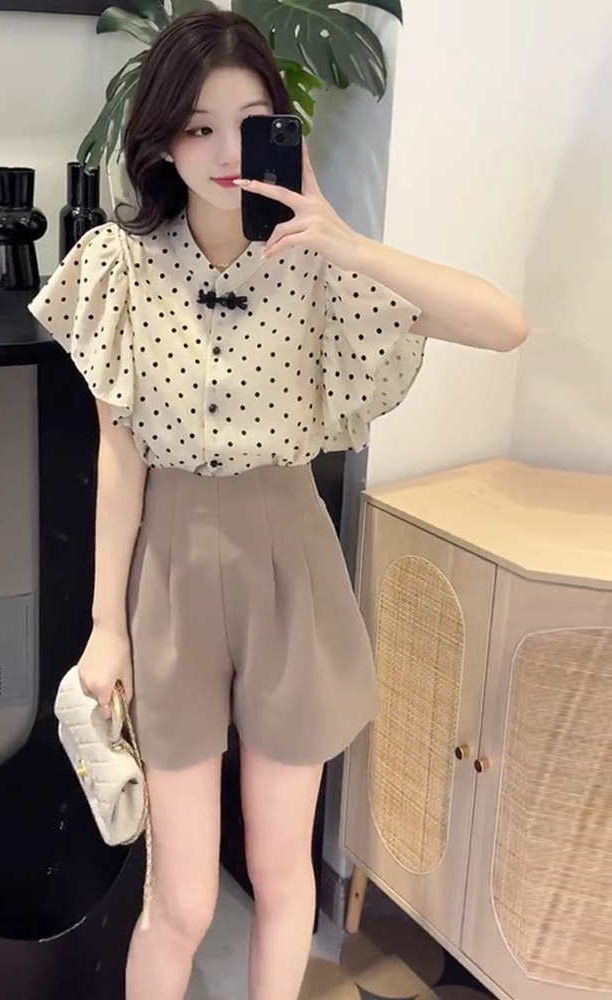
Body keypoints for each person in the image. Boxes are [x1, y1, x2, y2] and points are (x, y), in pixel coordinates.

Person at [29, 7, 527, 999]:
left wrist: (343, 239)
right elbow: (118, 453)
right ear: (161, 137)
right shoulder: (117, 265)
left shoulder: (320, 264)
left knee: (281, 869)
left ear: (282, 132)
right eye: (198, 125)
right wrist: (105, 627)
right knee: (181, 899)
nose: (225, 152)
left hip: (291, 570)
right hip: (171, 575)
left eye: (251, 123)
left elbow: (504, 324)